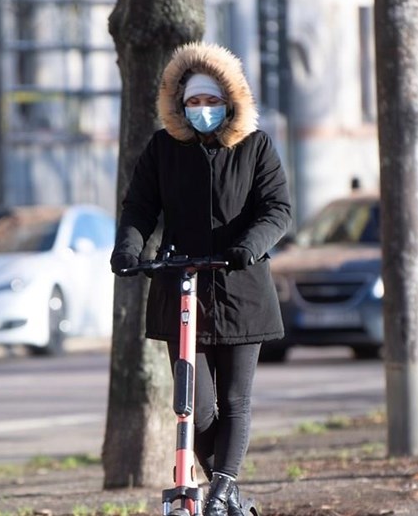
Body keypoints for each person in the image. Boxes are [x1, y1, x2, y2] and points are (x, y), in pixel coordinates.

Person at [110, 41, 291, 516]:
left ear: (229, 101)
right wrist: (130, 247)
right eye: (193, 101)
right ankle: (231, 497)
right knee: (198, 406)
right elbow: (140, 206)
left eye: (211, 101)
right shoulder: (163, 149)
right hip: (182, 287)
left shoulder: (256, 147)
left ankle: (222, 491)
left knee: (235, 400)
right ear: (179, 104)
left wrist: (248, 246)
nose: (203, 110)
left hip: (241, 289)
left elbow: (278, 209)